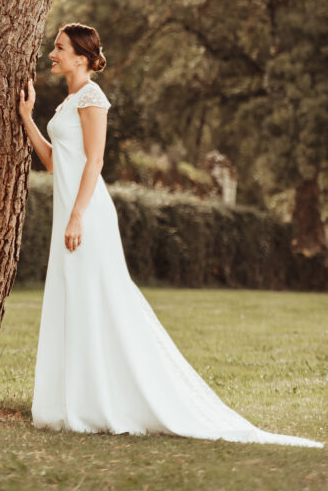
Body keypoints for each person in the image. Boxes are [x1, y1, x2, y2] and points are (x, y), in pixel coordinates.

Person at [18, 23, 322, 447]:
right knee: (76, 298)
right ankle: (78, 399)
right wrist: (27, 119)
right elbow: (55, 162)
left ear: (82, 58)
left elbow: (95, 162)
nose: (51, 53)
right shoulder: (68, 101)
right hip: (71, 209)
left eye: (59, 48)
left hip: (86, 214)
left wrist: (77, 216)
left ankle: (107, 400)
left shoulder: (92, 98)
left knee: (100, 299)